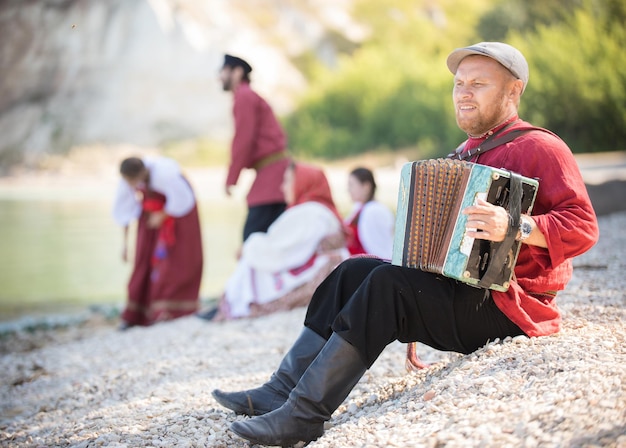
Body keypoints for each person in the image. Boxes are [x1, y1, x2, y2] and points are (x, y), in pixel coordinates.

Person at [211, 42, 599, 446]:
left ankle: (304, 416)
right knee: (353, 270)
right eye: (459, 83)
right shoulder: (467, 152)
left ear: (514, 91)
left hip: (510, 307)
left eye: (479, 84)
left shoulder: (542, 148)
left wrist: (515, 224)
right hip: (464, 294)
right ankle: (281, 389)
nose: (464, 92)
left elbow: (584, 226)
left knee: (388, 285)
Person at [199, 161, 349, 321]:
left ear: (302, 183)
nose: (282, 187)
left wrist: (249, 247)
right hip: (319, 266)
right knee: (255, 256)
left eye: (287, 181)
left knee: (253, 262)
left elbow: (281, 250)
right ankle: (228, 304)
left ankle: (231, 305)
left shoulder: (310, 213)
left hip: (315, 269)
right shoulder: (315, 211)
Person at [112, 156, 203, 328]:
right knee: (143, 260)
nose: (131, 185)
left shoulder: (165, 174)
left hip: (176, 216)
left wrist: (163, 215)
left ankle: (168, 311)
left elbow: (183, 199)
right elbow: (124, 210)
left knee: (172, 261)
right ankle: (136, 313)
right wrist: (125, 245)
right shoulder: (127, 180)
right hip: (150, 217)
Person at [220, 54, 290, 242]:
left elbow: (244, 139)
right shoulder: (248, 95)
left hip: (271, 178)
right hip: (276, 174)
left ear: (237, 72)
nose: (220, 76)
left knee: (251, 240)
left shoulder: (243, 96)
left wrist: (231, 177)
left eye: (224, 71)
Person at [344, 167, 395, 259]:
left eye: (351, 185)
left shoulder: (374, 211)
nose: (348, 190)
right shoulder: (358, 208)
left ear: (366, 187)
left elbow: (378, 248)